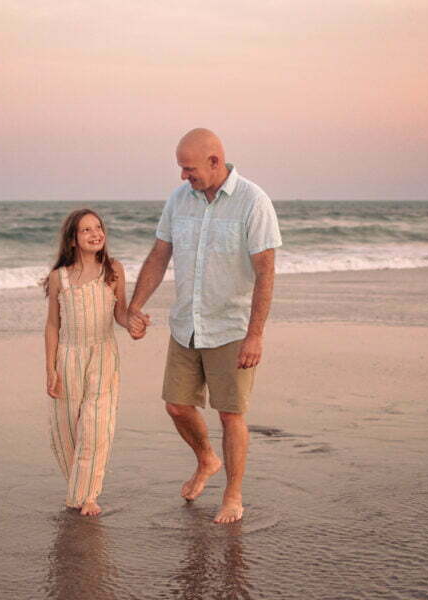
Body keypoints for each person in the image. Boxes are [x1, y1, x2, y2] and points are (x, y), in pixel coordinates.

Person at [127, 128, 281, 523]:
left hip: (231, 327)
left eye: (188, 168)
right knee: (177, 406)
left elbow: (265, 272)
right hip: (186, 324)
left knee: (230, 414)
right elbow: (160, 254)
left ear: (215, 161)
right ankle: (207, 458)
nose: (183, 176)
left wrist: (256, 335)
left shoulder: (253, 201)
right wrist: (135, 307)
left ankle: (233, 494)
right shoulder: (179, 199)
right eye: (181, 168)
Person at [44, 208, 129, 516]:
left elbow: (121, 313)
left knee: (96, 427)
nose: (96, 234)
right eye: (86, 230)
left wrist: (133, 323)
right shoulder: (60, 278)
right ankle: (78, 488)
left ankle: (87, 495)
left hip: (103, 355)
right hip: (68, 356)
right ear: (72, 240)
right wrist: (50, 369)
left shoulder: (114, 270)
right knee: (66, 430)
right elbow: (52, 325)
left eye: (98, 227)